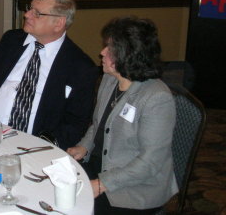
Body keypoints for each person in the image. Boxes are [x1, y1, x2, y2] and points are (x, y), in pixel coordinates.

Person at [67, 17, 178, 214]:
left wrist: (101, 184)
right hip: (101, 167)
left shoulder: (156, 98)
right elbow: (98, 123)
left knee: (74, 208)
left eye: (110, 48)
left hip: (136, 188)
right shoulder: (109, 79)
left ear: (128, 54)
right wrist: (84, 145)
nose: (101, 52)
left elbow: (151, 161)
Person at [0, 0, 99, 150]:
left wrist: (42, 148)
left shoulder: (80, 66)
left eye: (37, 13)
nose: (27, 15)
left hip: (34, 147)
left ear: (58, 23)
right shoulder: (11, 41)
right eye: (29, 8)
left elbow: (76, 122)